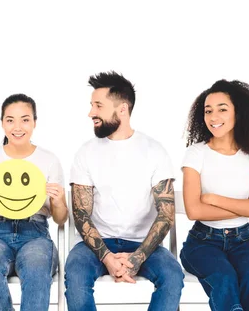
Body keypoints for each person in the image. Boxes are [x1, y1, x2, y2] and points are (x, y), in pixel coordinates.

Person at [64, 71, 184, 311]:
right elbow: (81, 215)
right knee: (75, 276)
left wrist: (136, 259)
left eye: (98, 105)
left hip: (143, 244)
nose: (91, 113)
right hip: (95, 244)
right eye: (91, 105)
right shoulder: (85, 152)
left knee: (172, 276)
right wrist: (107, 258)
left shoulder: (154, 151)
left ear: (122, 109)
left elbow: (165, 215)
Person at [179, 79, 249, 311]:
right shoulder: (196, 153)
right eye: (208, 111)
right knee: (224, 278)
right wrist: (244, 206)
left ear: (238, 113)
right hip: (202, 242)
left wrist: (214, 199)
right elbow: (194, 210)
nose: (213, 117)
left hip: (244, 241)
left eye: (222, 109)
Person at [0, 93, 68, 311]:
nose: (18, 127)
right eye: (10, 120)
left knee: (36, 268)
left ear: (34, 122)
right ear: (2, 123)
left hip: (36, 231)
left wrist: (60, 201)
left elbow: (61, 219)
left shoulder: (49, 160)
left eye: (25, 119)